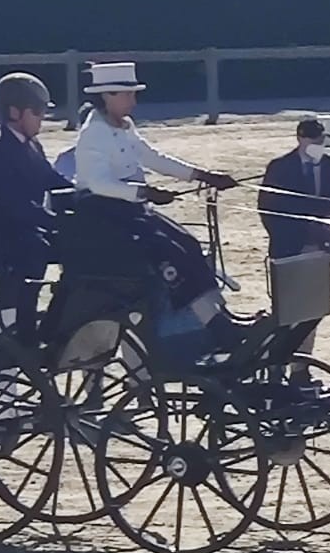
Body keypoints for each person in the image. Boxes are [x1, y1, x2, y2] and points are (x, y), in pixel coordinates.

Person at [72, 61, 243, 346]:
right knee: (169, 252)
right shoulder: (93, 134)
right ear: (107, 96)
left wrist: (202, 176)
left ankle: (220, 313)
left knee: (188, 244)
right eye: (127, 95)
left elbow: (153, 158)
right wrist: (144, 193)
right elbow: (100, 184)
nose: (133, 101)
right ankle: (213, 325)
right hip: (103, 215)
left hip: (129, 211)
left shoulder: (125, 127)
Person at [0, 72, 69, 343]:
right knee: (36, 248)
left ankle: (61, 316)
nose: (41, 118)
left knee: (75, 245)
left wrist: (86, 194)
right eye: (36, 111)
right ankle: (25, 327)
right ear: (14, 112)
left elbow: (53, 181)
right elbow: (13, 205)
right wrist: (53, 221)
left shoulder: (34, 146)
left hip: (25, 230)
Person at [259, 116, 330, 369]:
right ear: (300, 139)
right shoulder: (279, 167)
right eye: (313, 139)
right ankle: (276, 362)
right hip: (289, 247)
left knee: (312, 310)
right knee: (287, 310)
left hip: (319, 246)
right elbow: (267, 207)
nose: (318, 144)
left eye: (321, 139)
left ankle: (301, 365)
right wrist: (286, 236)